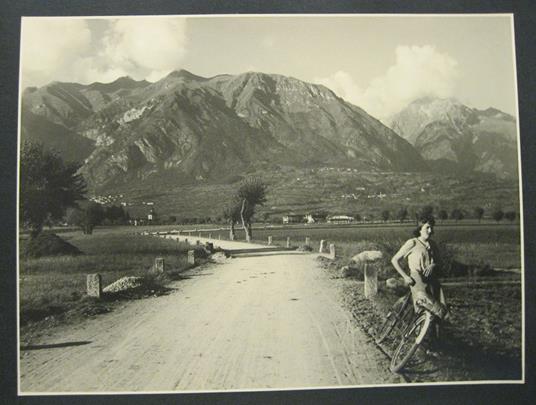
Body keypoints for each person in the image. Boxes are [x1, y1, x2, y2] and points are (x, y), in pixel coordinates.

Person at [391, 216, 447, 316]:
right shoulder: (412, 242)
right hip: (417, 279)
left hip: (431, 278)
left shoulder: (433, 244)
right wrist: (405, 277)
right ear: (420, 229)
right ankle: (418, 329)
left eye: (432, 228)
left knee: (440, 310)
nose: (430, 231)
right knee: (424, 306)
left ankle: (435, 331)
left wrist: (433, 265)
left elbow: (440, 262)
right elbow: (394, 260)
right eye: (427, 228)